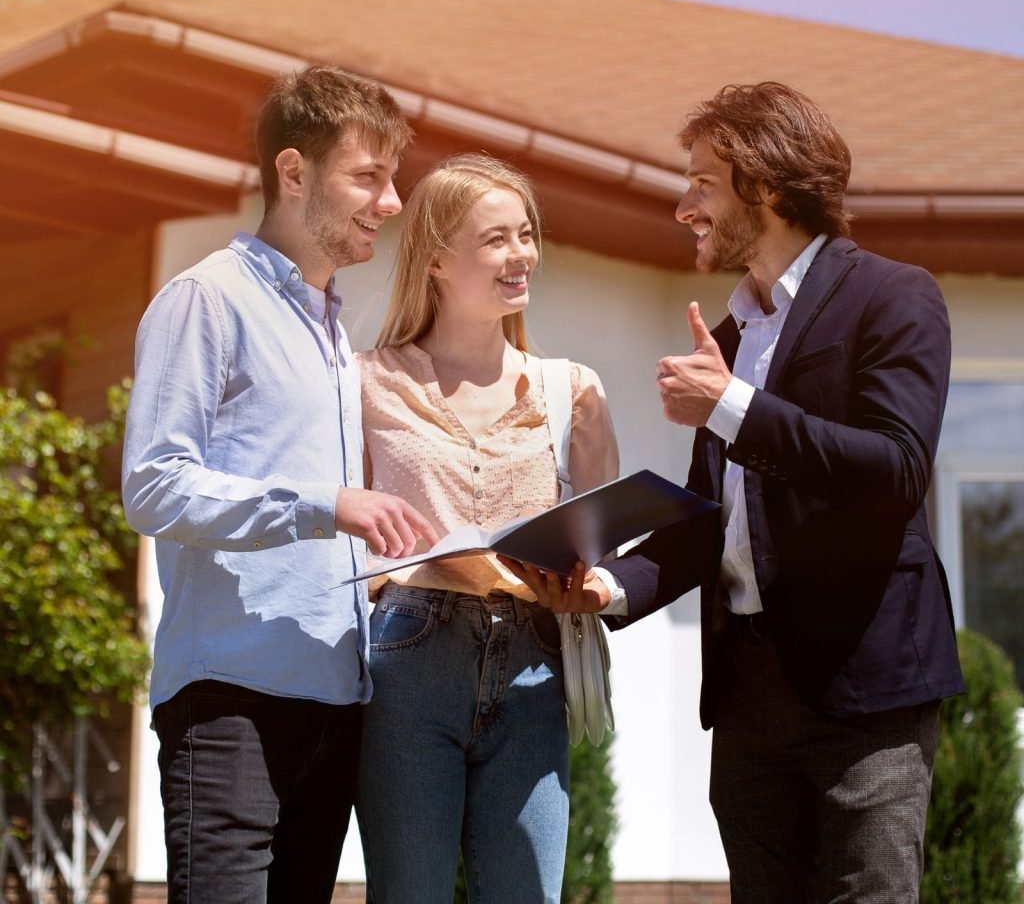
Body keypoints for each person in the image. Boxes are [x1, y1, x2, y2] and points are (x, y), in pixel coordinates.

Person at [512, 82, 965, 904]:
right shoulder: (726, 338)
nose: (684, 206)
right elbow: (707, 524)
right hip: (748, 693)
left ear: (765, 184)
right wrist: (608, 586)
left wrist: (731, 405)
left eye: (701, 183)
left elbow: (895, 469)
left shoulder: (894, 297)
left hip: (866, 689)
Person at [121, 65, 437, 904]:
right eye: (368, 177)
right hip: (228, 708)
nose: (392, 202)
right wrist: (320, 504)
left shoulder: (336, 334)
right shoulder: (206, 301)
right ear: (293, 173)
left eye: (391, 179)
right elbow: (153, 486)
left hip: (336, 707)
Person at [354, 153, 620, 904]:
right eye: (497, 239)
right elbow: (334, 532)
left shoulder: (574, 391)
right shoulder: (364, 383)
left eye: (527, 236)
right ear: (436, 257)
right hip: (408, 658)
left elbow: (604, 539)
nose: (521, 256)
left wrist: (592, 579)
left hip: (534, 664)